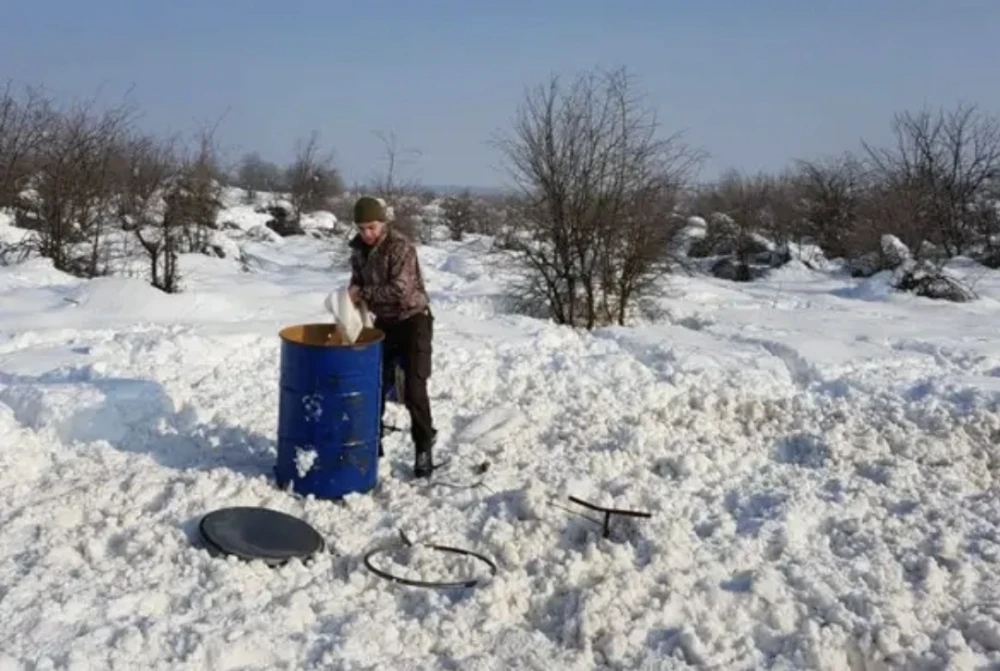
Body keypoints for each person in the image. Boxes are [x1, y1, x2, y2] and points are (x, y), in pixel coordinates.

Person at [347, 196, 438, 478]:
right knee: (375, 383)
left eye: (372, 227)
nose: (367, 234)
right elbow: (357, 282)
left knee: (413, 387)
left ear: (383, 224)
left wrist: (363, 294)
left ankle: (424, 444)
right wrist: (351, 295)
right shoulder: (358, 251)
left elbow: (400, 289)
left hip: (413, 319)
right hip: (384, 322)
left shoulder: (400, 248)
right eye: (362, 228)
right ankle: (372, 442)